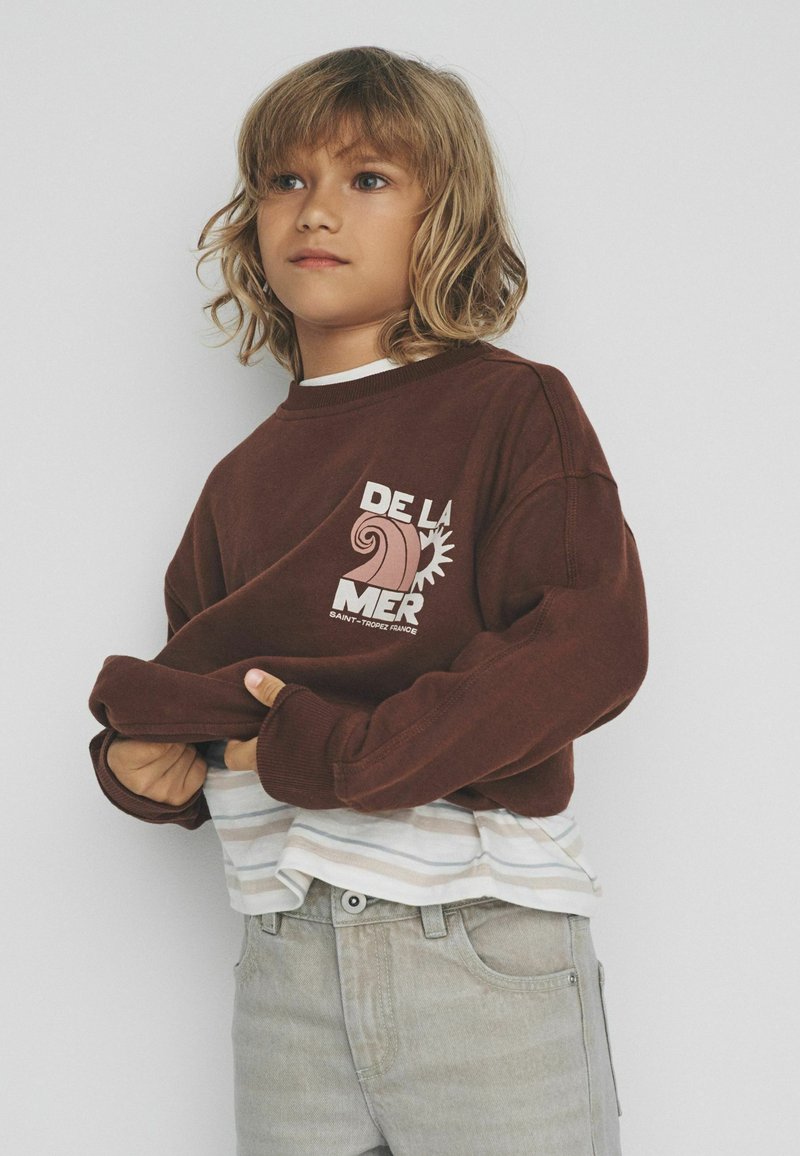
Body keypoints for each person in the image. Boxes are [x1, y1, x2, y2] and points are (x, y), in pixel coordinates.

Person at [88, 45, 647, 1155]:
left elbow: (586, 643)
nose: (317, 209)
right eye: (286, 180)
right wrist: (146, 766)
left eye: (369, 178)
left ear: (445, 215)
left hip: (475, 947)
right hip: (285, 964)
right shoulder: (242, 478)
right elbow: (204, 683)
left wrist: (333, 755)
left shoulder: (510, 409)